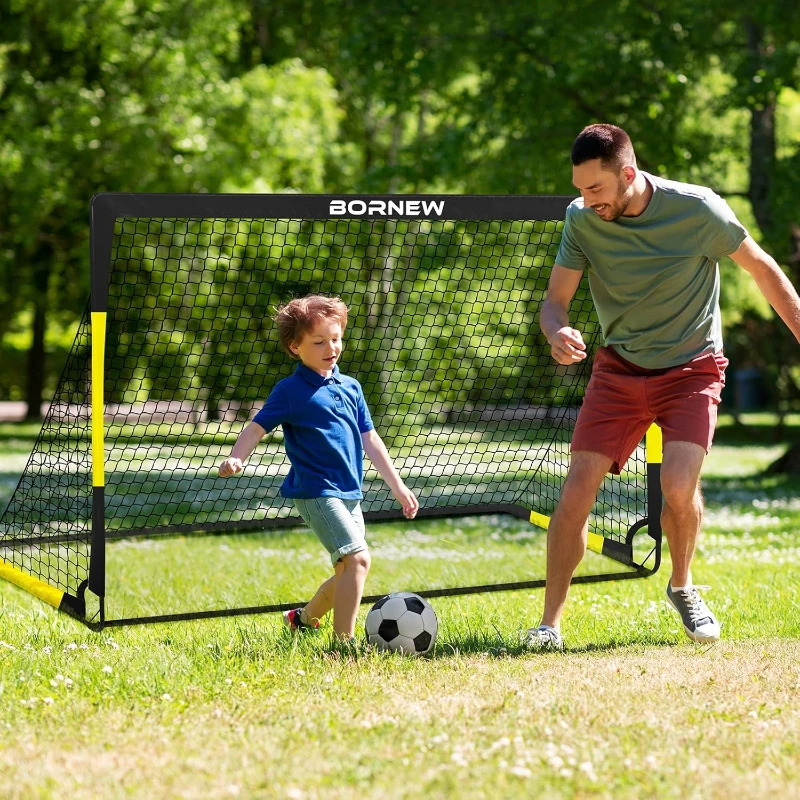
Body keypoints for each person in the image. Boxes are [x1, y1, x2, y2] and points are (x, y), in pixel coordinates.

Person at [526, 123, 800, 650]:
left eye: (597, 189)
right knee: (577, 490)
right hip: (620, 368)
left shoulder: (698, 210)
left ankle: (682, 585)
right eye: (580, 189)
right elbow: (555, 300)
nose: (586, 200)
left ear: (627, 174)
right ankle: (549, 625)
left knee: (678, 485)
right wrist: (556, 330)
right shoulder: (580, 219)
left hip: (692, 368)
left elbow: (763, 269)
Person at [219, 294, 419, 641]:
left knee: (346, 570)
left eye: (336, 338)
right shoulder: (290, 391)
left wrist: (397, 486)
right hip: (316, 491)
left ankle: (303, 619)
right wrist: (238, 456)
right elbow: (256, 427)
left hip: (350, 492)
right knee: (358, 561)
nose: (331, 347)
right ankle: (345, 644)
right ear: (295, 347)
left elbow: (371, 440)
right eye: (319, 341)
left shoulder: (351, 387)